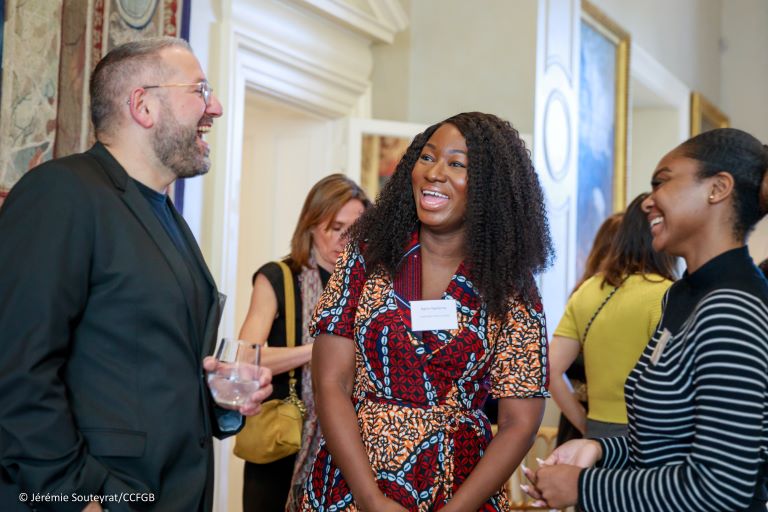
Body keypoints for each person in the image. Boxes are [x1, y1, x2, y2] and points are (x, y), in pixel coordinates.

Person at [0, 37, 272, 512]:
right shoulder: (61, 193)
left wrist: (220, 401)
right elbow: (16, 367)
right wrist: (78, 499)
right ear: (143, 106)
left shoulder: (164, 213)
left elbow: (141, 369)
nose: (217, 107)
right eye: (201, 90)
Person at [300, 112, 553, 511]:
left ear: (491, 188)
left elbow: (519, 423)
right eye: (427, 157)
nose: (435, 173)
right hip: (354, 480)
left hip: (459, 487)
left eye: (457, 164)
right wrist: (369, 498)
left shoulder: (511, 287)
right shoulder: (367, 255)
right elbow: (330, 382)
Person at [524, 127, 768, 511]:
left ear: (718, 188)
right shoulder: (681, 296)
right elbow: (666, 444)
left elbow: (721, 487)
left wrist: (586, 487)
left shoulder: (732, 307)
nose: (648, 202)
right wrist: (599, 450)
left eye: (663, 183)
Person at [238, 173, 369, 511]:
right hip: (285, 440)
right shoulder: (279, 277)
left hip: (349, 442)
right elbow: (244, 358)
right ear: (311, 225)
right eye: (335, 228)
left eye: (354, 230)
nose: (345, 239)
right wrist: (321, 351)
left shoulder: (369, 285)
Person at [549, 194, 677, 441]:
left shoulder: (587, 290)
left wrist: (583, 424)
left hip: (597, 430)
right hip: (651, 434)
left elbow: (550, 369)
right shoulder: (668, 293)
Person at [555, 212, 623, 446]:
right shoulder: (583, 296)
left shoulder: (584, 294)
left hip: (602, 424)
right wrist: (583, 424)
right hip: (582, 422)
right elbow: (551, 371)